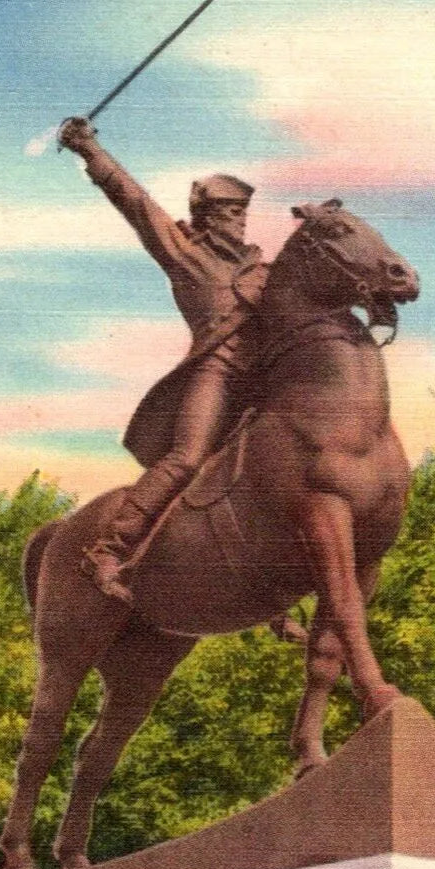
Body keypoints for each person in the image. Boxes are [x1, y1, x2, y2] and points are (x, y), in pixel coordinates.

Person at [57, 116, 269, 603]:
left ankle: (267, 593)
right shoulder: (183, 253)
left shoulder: (261, 266)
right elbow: (134, 201)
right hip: (215, 372)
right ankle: (109, 550)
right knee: (189, 458)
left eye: (242, 212)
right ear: (207, 216)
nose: (240, 220)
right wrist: (89, 149)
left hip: (259, 380)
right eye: (230, 212)